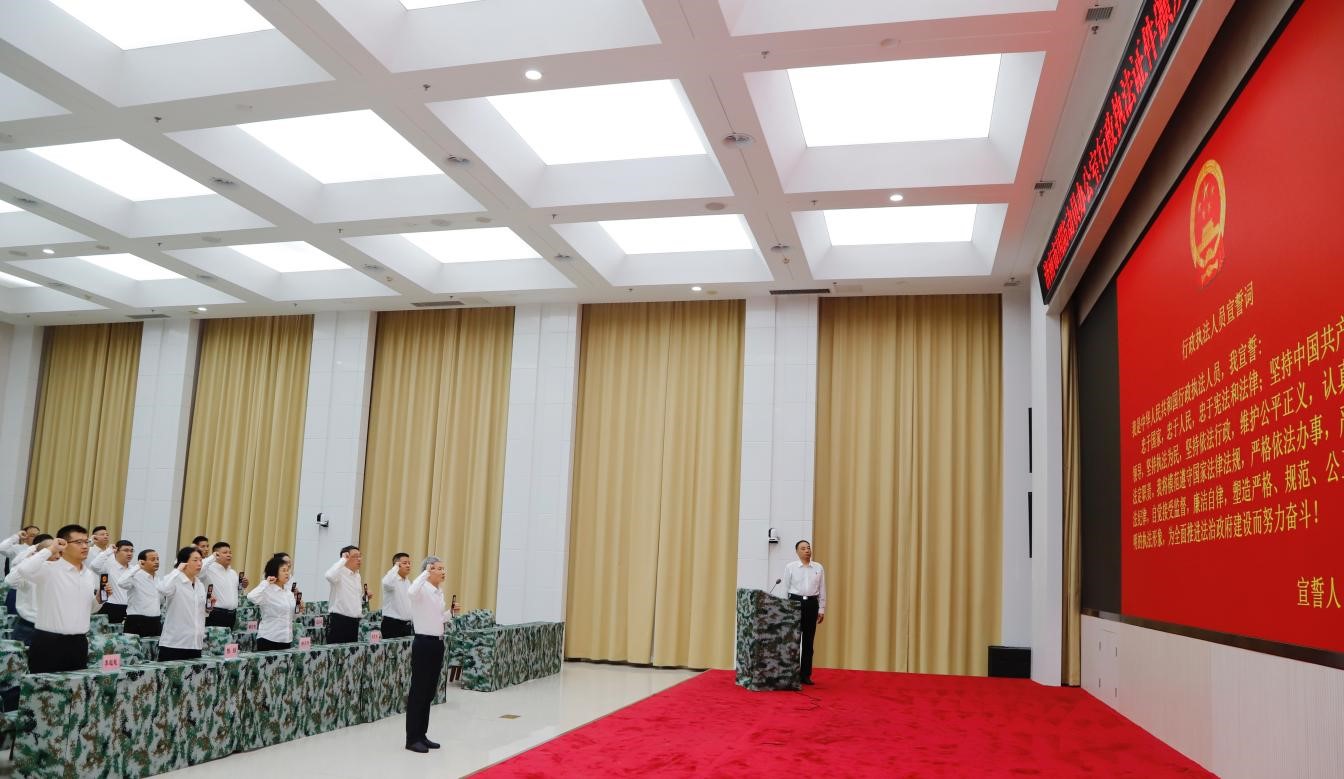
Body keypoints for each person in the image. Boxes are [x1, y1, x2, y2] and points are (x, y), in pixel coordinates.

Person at [9, 524, 102, 673]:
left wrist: (100, 598)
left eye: (86, 542)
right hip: (49, 641)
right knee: (43, 686)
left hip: (79, 642)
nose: (85, 546)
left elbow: (90, 609)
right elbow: (23, 569)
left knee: (76, 686)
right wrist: (51, 549)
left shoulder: (88, 575)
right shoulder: (49, 568)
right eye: (79, 542)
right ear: (63, 544)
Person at [405, 556, 456, 753]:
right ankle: (412, 738)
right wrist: (425, 572)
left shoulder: (438, 591)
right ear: (428, 570)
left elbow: (438, 618)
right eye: (439, 568)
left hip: (437, 643)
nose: (443, 572)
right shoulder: (421, 588)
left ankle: (422, 735)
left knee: (429, 691)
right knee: (419, 691)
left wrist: (450, 613)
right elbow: (410, 591)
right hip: (423, 643)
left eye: (444, 568)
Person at [783, 539, 826, 685]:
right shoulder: (790, 567)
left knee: (808, 641)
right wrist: (785, 608)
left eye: (808, 547)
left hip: (812, 604)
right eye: (803, 548)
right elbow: (785, 588)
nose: (807, 550)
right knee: (793, 641)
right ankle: (790, 674)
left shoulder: (818, 567)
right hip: (795, 603)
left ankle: (805, 675)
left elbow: (822, 589)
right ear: (797, 552)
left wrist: (821, 608)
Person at [157, 547, 212, 661]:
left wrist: (208, 608)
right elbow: (163, 589)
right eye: (195, 560)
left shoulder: (200, 585)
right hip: (174, 644)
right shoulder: (175, 580)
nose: (199, 563)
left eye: (200, 560)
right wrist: (177, 570)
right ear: (184, 563)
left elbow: (200, 614)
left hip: (195, 643)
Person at [3, 533, 53, 646]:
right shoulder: (26, 569)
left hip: (52, 628)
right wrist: (34, 552)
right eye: (52, 550)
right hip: (28, 627)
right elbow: (9, 581)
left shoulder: (61, 570)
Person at [247, 555, 299, 651]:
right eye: (283, 570)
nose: (287, 573)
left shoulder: (288, 593)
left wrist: (299, 610)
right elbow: (251, 597)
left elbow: (292, 616)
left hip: (286, 639)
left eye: (288, 570)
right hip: (269, 639)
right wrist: (266, 583)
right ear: (274, 572)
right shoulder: (267, 590)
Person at [324, 546, 363, 644]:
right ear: (346, 558)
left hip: (354, 622)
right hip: (340, 621)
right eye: (355, 556)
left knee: (352, 652)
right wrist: (343, 560)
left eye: (360, 556)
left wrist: (363, 598)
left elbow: (353, 598)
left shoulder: (357, 575)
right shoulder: (339, 573)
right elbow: (328, 575)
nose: (359, 559)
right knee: (336, 652)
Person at [201, 542, 244, 629]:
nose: (229, 555)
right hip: (215, 614)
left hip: (232, 615)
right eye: (225, 553)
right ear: (216, 554)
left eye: (230, 553)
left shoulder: (233, 573)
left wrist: (242, 586)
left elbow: (237, 593)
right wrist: (212, 557)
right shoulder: (208, 569)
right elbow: (199, 569)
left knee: (229, 638)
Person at [90, 539, 134, 624]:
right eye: (126, 550)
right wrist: (108, 551)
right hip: (111, 607)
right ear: (116, 551)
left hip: (130, 609)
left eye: (131, 551)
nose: (129, 553)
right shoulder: (108, 566)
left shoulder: (133, 569)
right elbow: (94, 566)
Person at [121, 549, 163, 637]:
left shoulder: (157, 578)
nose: (156, 562)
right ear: (142, 562)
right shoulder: (135, 576)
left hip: (155, 621)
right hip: (137, 620)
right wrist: (137, 567)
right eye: (153, 559)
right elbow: (121, 583)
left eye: (157, 559)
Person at [1, 526, 39, 615]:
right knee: (12, 619)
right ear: (25, 536)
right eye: (32, 535)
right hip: (16, 590)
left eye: (37, 535)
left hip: (32, 593)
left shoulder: (42, 551)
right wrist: (17, 536)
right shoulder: (17, 548)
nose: (36, 538)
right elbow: (1, 548)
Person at [380, 552, 414, 639]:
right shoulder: (391, 580)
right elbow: (386, 583)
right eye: (405, 563)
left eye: (409, 563)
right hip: (392, 624)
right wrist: (395, 567)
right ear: (397, 565)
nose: (408, 565)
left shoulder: (408, 581)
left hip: (406, 625)